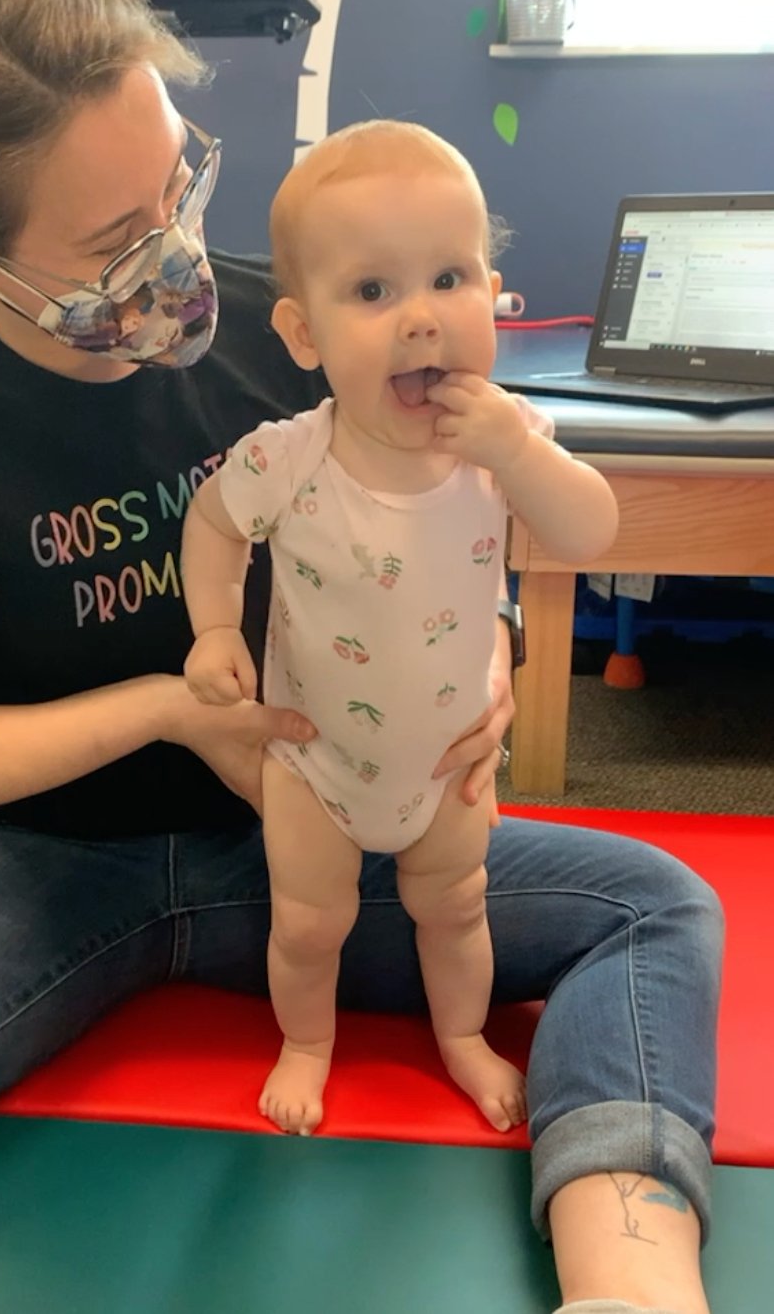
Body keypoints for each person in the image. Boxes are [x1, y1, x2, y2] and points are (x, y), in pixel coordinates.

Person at [0, 0, 720, 1314]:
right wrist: (171, 709)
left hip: (311, 817)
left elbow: (458, 515)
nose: (174, 258)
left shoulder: (285, 325)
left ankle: (630, 1282)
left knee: (655, 904)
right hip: (36, 868)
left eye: (179, 186)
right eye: (117, 245)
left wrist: (491, 656)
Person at [181, 120, 618, 1139]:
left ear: (492, 293)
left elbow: (589, 529)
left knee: (456, 907)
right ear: (304, 336)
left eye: (448, 279)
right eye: (373, 291)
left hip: (448, 761)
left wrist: (519, 454)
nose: (422, 318)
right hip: (314, 761)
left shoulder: (501, 445)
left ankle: (461, 1036)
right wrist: (214, 630)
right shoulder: (288, 457)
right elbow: (211, 523)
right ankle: (308, 1043)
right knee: (309, 924)